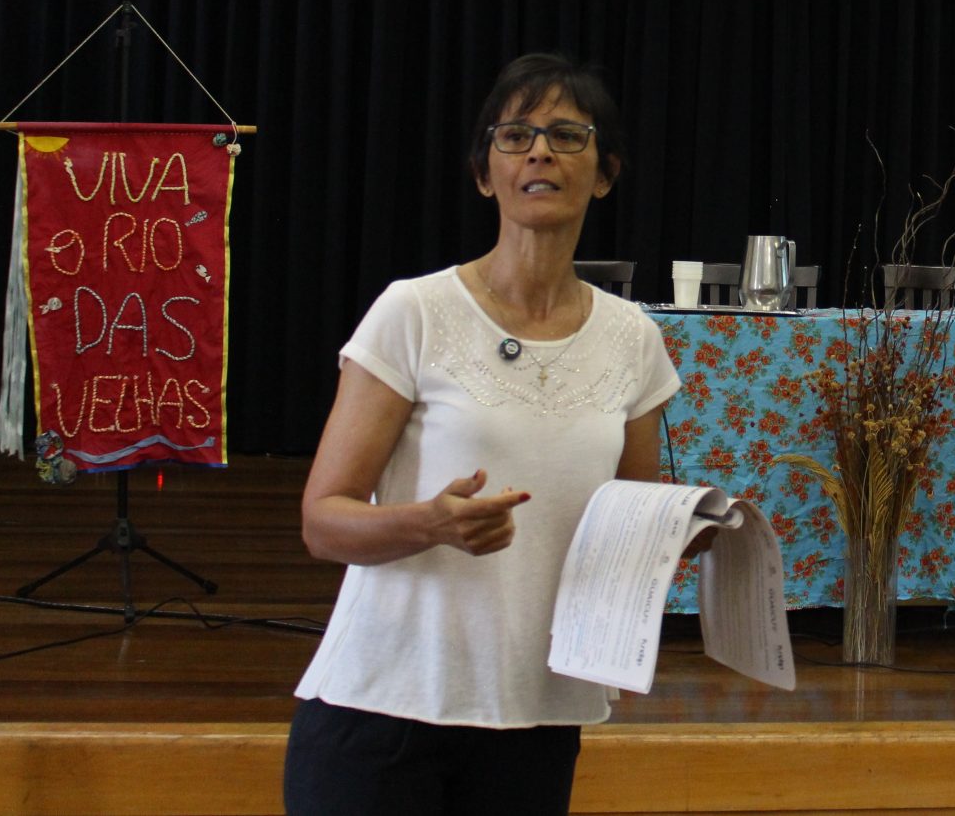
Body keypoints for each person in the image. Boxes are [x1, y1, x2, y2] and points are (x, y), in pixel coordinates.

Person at [284, 53, 700, 816]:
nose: (540, 151)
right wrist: (429, 523)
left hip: (536, 717)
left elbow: (633, 524)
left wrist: (693, 533)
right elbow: (322, 520)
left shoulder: (633, 337)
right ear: (485, 173)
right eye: (516, 135)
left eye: (567, 135)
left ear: (605, 173)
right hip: (384, 709)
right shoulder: (414, 311)